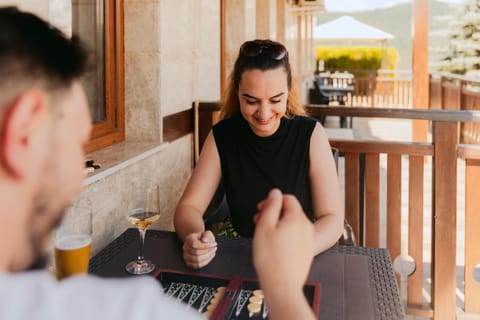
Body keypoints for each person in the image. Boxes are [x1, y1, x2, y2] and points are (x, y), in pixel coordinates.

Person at [0, 7, 315, 320]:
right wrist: (284, 291)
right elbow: (188, 209)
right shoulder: (124, 310)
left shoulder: (306, 132)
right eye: (76, 145)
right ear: (22, 132)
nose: (77, 180)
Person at [174, 39, 344, 269]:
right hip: (240, 252)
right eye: (251, 101)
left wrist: (301, 249)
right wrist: (196, 239)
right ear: (237, 92)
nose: (264, 114)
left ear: (289, 90)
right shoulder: (223, 135)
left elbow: (332, 219)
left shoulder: (310, 134)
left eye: (275, 100)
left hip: (301, 254)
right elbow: (189, 208)